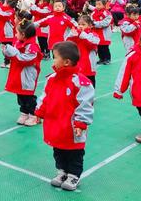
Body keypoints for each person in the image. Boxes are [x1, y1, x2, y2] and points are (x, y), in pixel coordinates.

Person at [35, 41, 94, 191]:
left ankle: (74, 175)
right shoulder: (52, 79)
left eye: (55, 57)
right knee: (58, 149)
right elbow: (45, 97)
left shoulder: (81, 83)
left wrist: (81, 123)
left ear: (66, 62)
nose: (53, 60)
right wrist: (39, 112)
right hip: (55, 124)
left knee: (74, 151)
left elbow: (85, 105)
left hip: (72, 126)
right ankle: (62, 171)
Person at [2, 20, 42, 126]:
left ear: (23, 34)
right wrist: (7, 51)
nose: (15, 35)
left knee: (28, 95)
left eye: (17, 33)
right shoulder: (19, 42)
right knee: (20, 94)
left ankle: (34, 115)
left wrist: (12, 52)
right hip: (18, 73)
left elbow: (25, 59)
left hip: (27, 74)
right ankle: (24, 112)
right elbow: (15, 55)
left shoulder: (32, 46)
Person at [67, 15, 100, 87]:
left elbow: (93, 43)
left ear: (90, 25)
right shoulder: (76, 34)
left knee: (90, 82)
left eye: (83, 24)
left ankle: (90, 96)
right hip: (77, 64)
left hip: (88, 66)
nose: (80, 26)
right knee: (77, 82)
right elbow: (67, 43)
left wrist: (81, 34)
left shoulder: (93, 35)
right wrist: (72, 35)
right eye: (79, 24)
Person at [90, 0, 113, 65]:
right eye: (96, 4)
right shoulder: (93, 12)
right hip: (96, 33)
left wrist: (95, 24)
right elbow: (91, 20)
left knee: (105, 47)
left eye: (99, 4)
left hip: (104, 33)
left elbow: (106, 23)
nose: (97, 6)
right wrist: (91, 23)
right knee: (99, 47)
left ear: (104, 5)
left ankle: (107, 59)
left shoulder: (107, 13)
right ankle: (101, 59)